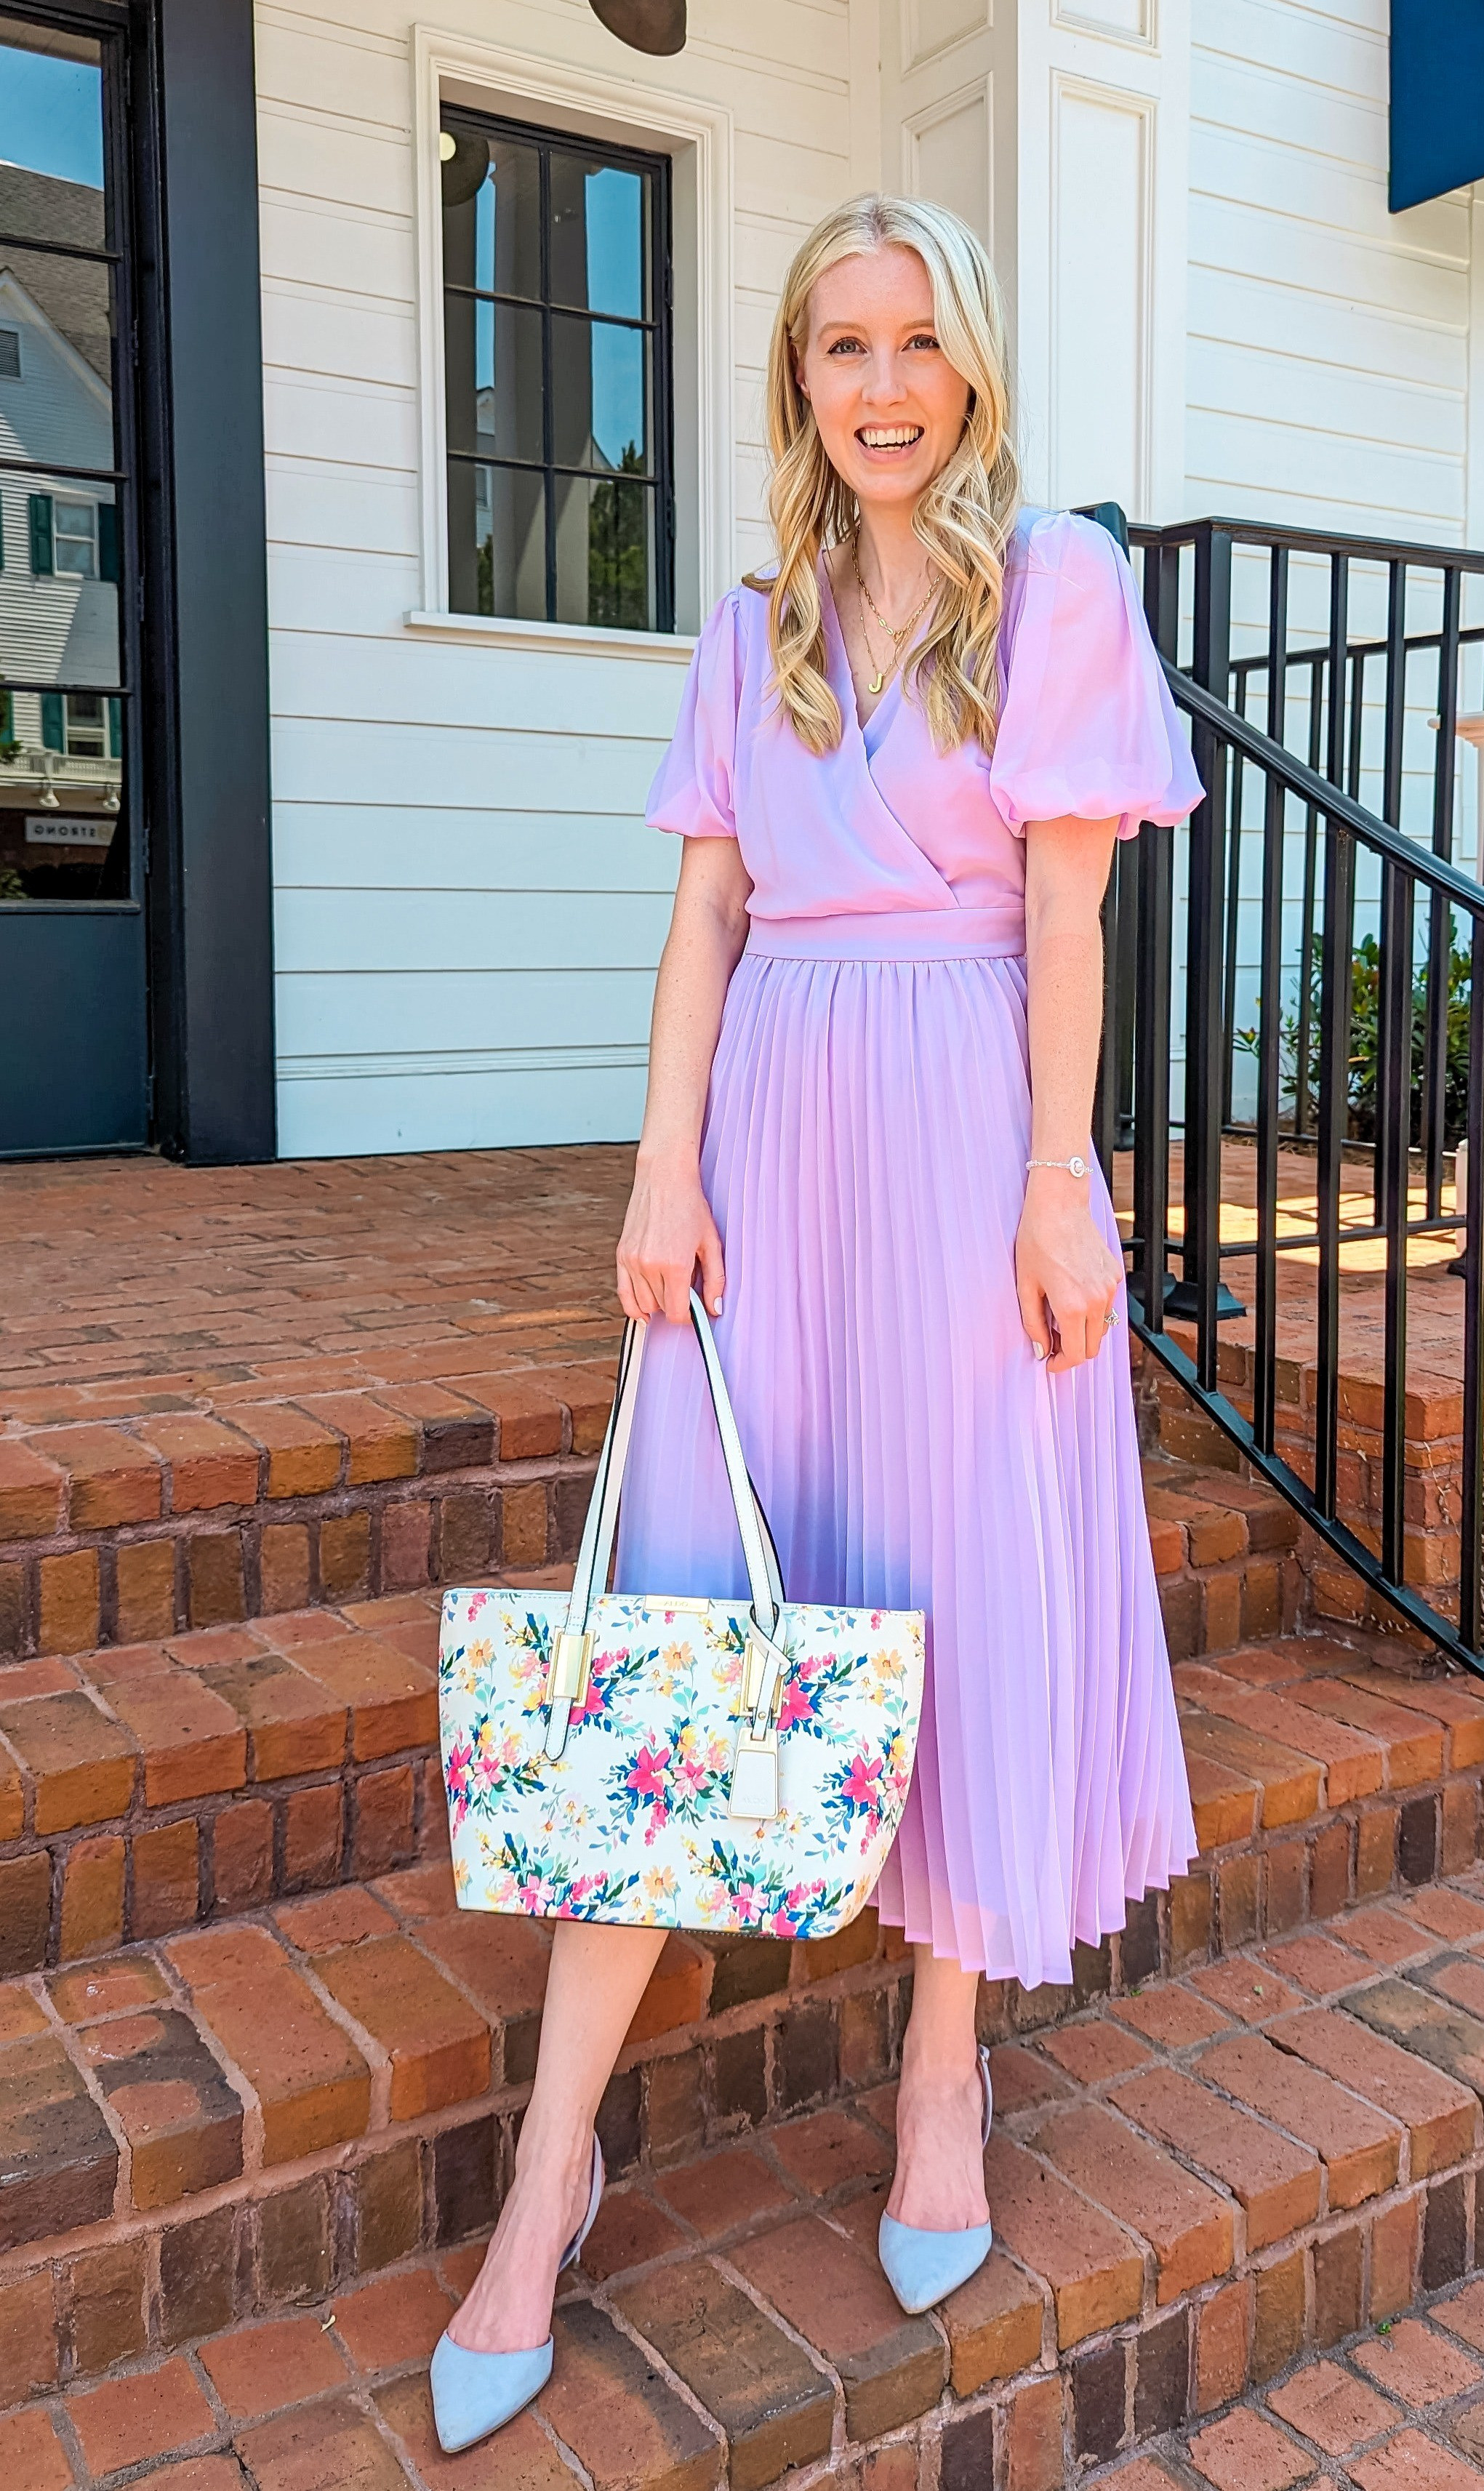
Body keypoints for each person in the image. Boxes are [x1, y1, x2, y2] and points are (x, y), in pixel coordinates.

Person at [431, 188, 1202, 2455]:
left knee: (961, 1582)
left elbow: (1065, 921)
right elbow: (704, 916)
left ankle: (941, 2068)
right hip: (767, 1151)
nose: (880, 386)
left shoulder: (1052, 585)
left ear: (969, 366)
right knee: (672, 1618)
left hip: (965, 1141)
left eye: (914, 343)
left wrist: (1058, 1180)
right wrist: (657, 1167)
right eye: (839, 345)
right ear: (796, 374)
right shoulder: (749, 625)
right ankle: (549, 2165)